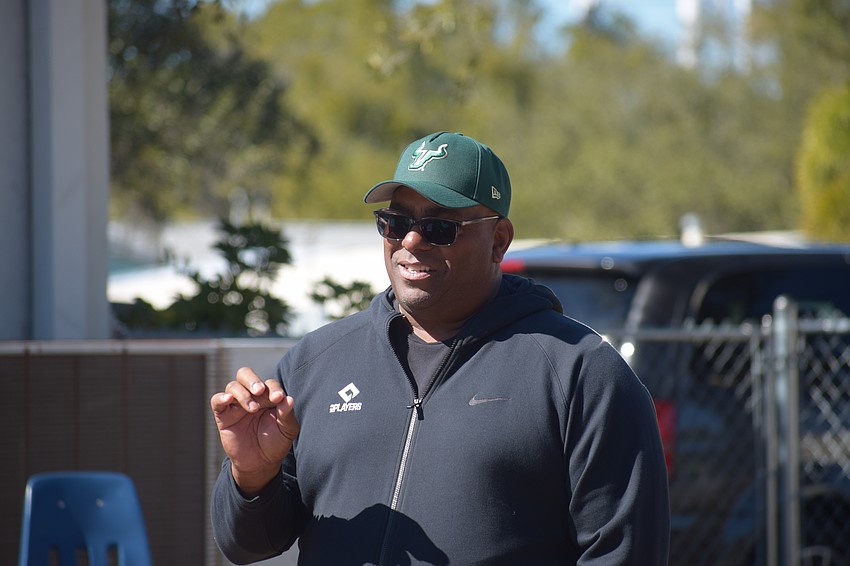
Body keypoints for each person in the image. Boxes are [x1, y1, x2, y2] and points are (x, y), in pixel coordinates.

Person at [210, 131, 670, 565]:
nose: (410, 241)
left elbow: (623, 554)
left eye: (438, 227)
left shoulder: (580, 373)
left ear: (499, 241)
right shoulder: (315, 363)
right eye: (395, 222)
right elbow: (246, 545)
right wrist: (252, 477)